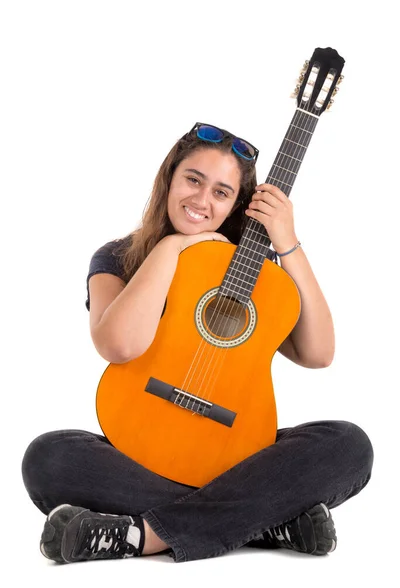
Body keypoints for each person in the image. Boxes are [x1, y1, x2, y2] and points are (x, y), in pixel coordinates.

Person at [21, 122, 374, 564]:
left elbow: (318, 354)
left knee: (348, 444)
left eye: (222, 192)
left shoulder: (254, 272)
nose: (201, 201)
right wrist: (172, 249)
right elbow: (118, 346)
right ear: (170, 177)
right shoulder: (116, 258)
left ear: (237, 205)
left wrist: (287, 242)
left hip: (235, 449)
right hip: (140, 452)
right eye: (193, 179)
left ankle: (141, 535)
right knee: (49, 457)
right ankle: (266, 519)